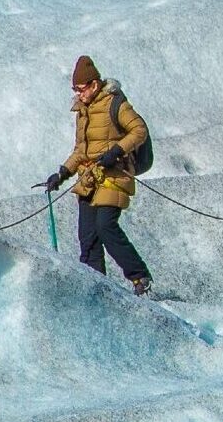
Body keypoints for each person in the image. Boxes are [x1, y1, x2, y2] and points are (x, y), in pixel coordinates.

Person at [42, 55, 152, 294]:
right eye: (75, 90)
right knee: (87, 237)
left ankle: (140, 277)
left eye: (81, 89)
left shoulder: (115, 103)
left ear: (94, 84)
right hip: (89, 179)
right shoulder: (83, 111)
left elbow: (139, 130)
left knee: (105, 226)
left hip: (114, 175)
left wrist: (117, 151)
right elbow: (81, 150)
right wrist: (63, 172)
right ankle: (96, 289)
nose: (78, 94)